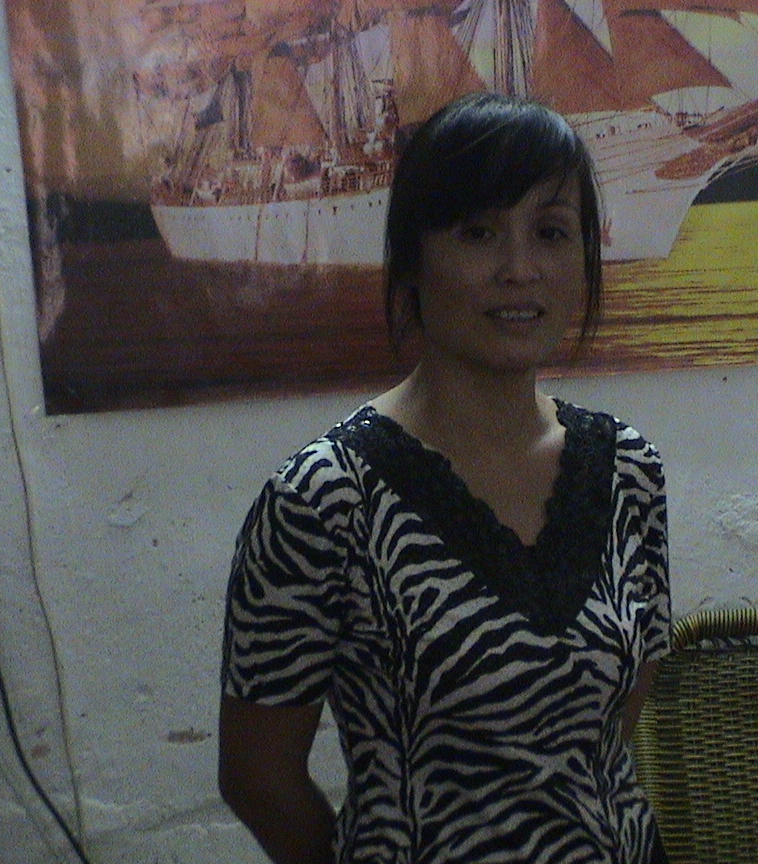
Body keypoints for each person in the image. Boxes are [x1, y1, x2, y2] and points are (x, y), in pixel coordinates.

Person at [218, 91, 671, 864]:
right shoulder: (323, 499)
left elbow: (609, 731)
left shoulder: (629, 471)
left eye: (551, 233)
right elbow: (258, 780)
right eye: (478, 233)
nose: (520, 269)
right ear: (412, 261)